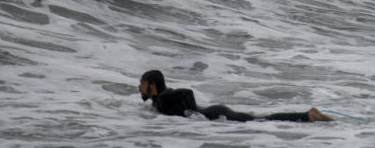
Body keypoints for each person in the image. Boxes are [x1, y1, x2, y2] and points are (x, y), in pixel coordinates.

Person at [138, 70, 331, 123]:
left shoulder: (164, 96)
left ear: (152, 85)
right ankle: (307, 116)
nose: (139, 87)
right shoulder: (159, 100)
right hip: (215, 113)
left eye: (143, 83)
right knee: (259, 120)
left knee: (260, 120)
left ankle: (308, 115)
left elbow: (188, 93)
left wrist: (192, 114)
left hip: (216, 114)